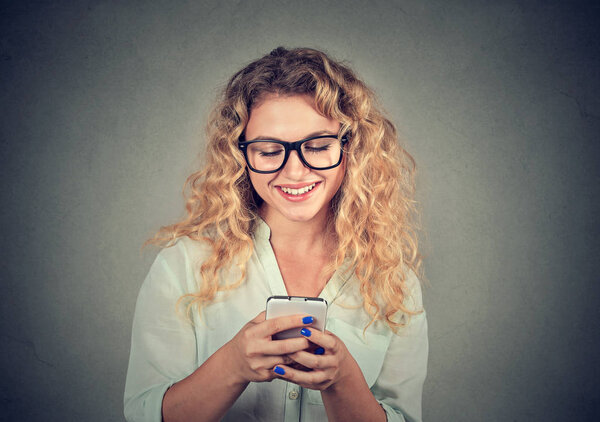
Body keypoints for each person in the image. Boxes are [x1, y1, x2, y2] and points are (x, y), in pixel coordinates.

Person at [124, 46, 428, 422]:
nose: (295, 172)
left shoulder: (394, 283)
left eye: (317, 147)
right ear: (241, 155)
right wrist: (232, 365)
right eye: (269, 151)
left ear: (351, 148)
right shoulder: (183, 265)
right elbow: (145, 415)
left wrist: (343, 380)